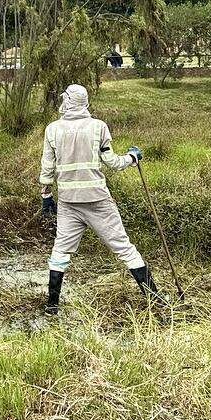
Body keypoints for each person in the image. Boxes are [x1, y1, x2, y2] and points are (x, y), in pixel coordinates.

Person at [38, 83, 161, 314]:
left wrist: (46, 196)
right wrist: (133, 157)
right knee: (124, 248)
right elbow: (112, 162)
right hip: (97, 200)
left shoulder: (52, 129)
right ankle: (155, 298)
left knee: (60, 251)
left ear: (68, 101)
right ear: (84, 102)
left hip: (68, 201)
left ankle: (52, 306)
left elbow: (47, 166)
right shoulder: (98, 127)